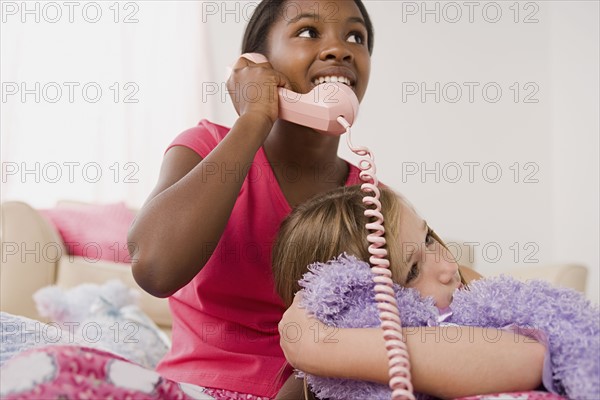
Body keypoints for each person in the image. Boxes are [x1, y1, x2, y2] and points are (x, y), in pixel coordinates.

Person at [128, 1, 544, 398]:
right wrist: (255, 117)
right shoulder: (207, 147)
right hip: (202, 385)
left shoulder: (369, 197)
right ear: (258, 63)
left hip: (325, 389)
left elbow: (431, 290)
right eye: (309, 31)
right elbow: (155, 268)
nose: (340, 49)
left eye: (356, 38)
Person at [273, 185, 548, 399]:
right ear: (354, 308)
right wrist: (320, 347)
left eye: (428, 238)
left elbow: (535, 357)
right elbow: (525, 361)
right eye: (413, 271)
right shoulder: (332, 375)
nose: (449, 267)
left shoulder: (471, 292)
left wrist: (318, 345)